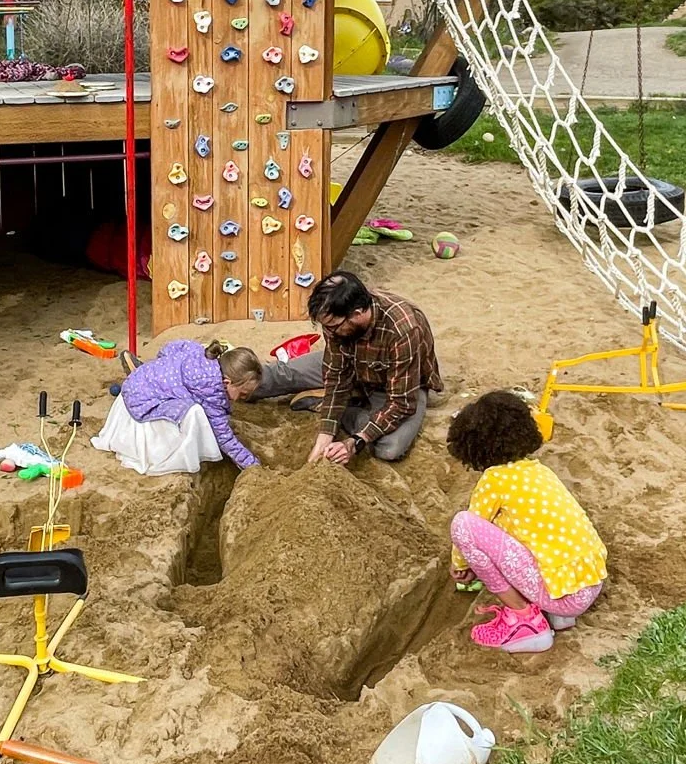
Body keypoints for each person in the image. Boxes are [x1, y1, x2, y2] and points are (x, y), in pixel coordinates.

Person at [447, 390, 607, 655]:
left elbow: (472, 526)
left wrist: (460, 564)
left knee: (463, 524)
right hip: (589, 582)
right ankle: (558, 616)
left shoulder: (494, 480)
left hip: (564, 597)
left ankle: (526, 621)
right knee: (518, 526)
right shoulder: (540, 471)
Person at [254, 271, 441, 464]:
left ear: (357, 315)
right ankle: (224, 384)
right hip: (352, 365)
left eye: (332, 326)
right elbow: (336, 376)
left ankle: (328, 404)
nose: (329, 332)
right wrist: (324, 436)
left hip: (394, 385)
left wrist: (355, 442)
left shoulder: (403, 328)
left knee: (390, 448)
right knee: (282, 373)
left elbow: (401, 403)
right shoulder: (336, 324)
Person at [92, 339, 261, 476]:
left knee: (184, 398)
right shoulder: (212, 393)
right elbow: (224, 438)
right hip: (142, 405)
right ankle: (173, 448)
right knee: (195, 412)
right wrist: (252, 466)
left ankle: (141, 369)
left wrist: (162, 366)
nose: (243, 399)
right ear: (227, 382)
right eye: (243, 394)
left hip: (137, 384)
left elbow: (171, 347)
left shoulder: (200, 352)